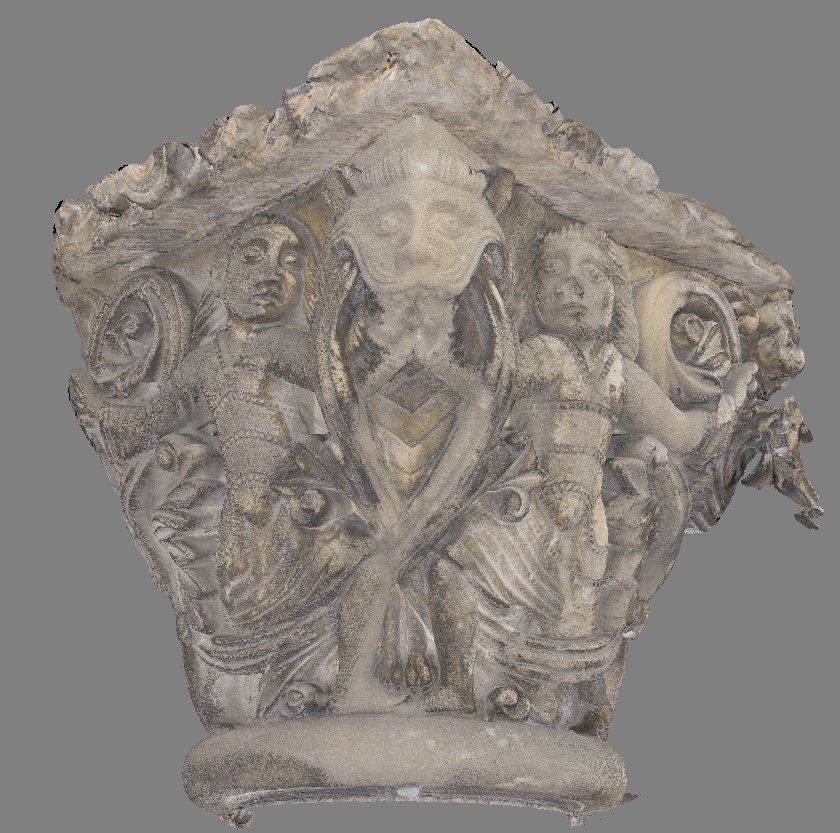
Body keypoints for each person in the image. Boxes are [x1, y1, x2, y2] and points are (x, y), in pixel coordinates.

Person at [427, 223, 756, 718]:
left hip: (587, 525)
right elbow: (490, 380)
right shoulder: (546, 353)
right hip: (528, 508)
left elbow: (684, 436)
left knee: (577, 628)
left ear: (613, 297)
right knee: (448, 569)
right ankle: (457, 685)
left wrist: (732, 401)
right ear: (536, 297)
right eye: (553, 271)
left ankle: (549, 706)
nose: (571, 285)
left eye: (591, 273)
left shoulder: (616, 371)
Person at [74, 211, 327, 629]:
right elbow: (152, 422)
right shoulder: (208, 360)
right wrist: (101, 413)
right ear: (220, 273)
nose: (272, 275)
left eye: (290, 263)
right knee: (244, 609)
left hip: (299, 499)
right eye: (253, 257)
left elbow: (344, 396)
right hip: (241, 514)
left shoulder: (289, 343)